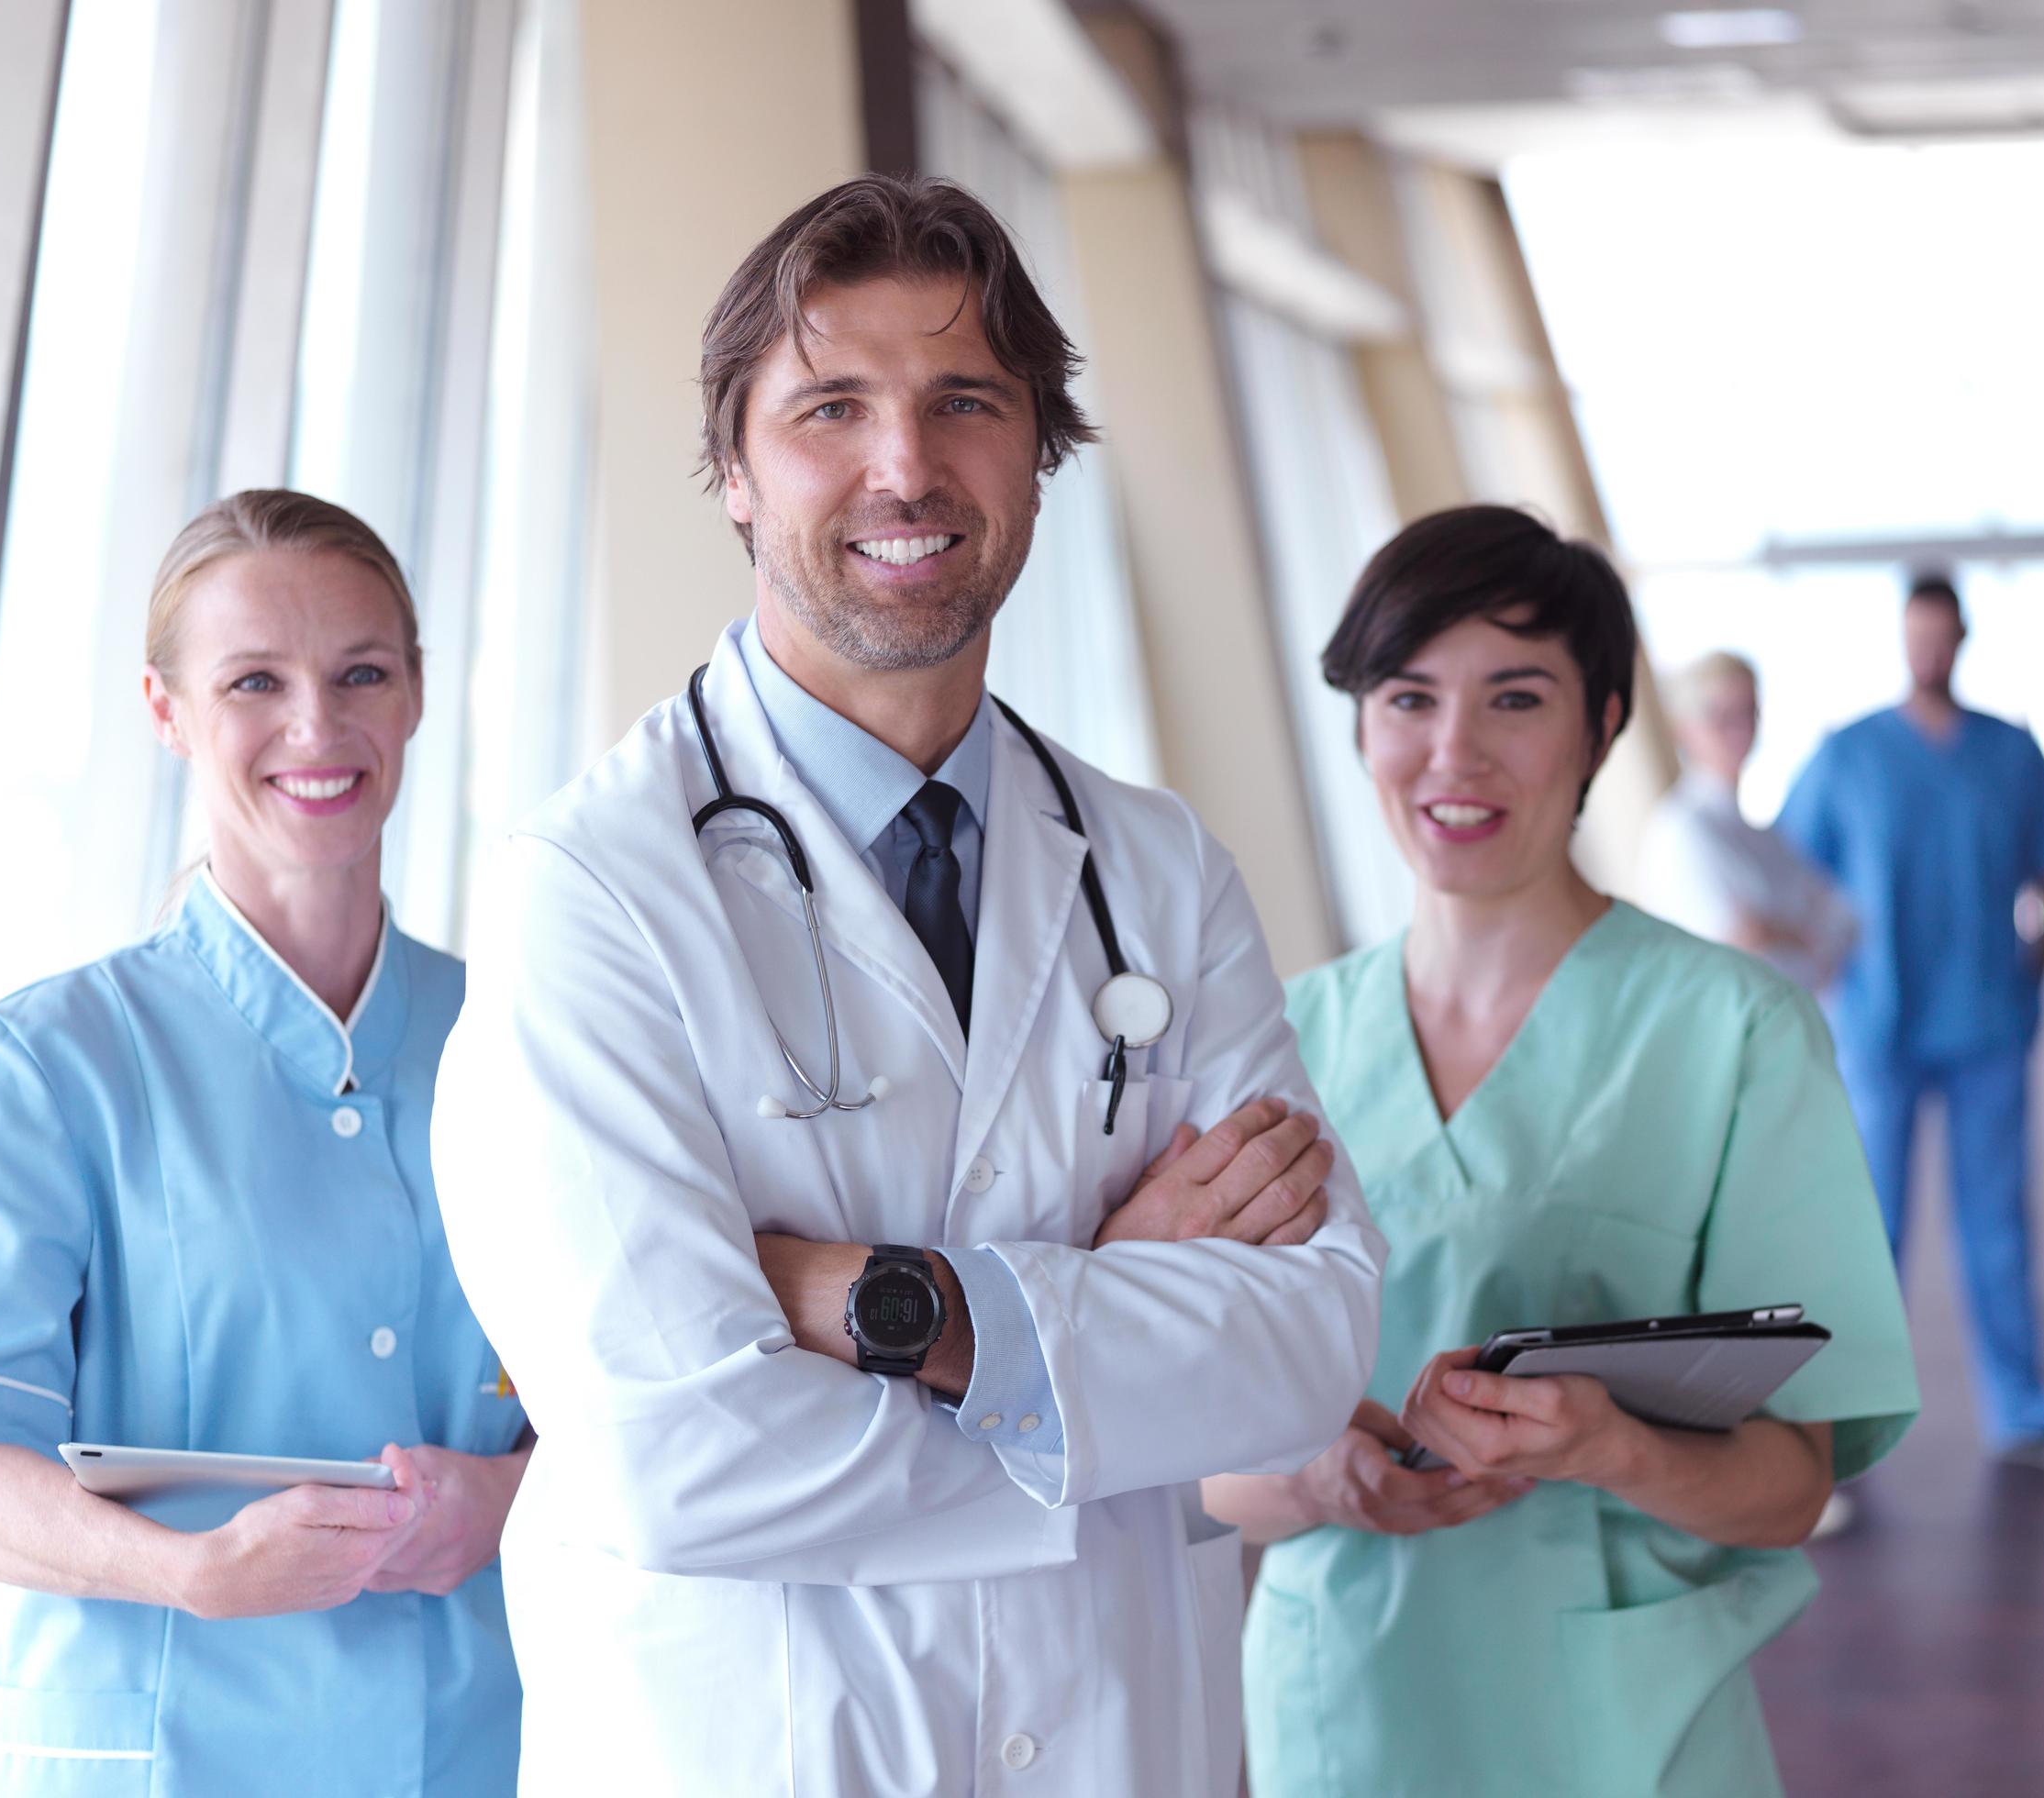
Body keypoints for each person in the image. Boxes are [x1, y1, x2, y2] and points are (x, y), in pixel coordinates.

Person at [428, 174, 1385, 1795]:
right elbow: (679, 1457)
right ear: (731, 469)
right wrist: (1093, 1349)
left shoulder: (1155, 868)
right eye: (830, 408)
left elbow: (1306, 1350)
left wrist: (902, 1306)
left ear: (1038, 452)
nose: (905, 467)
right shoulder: (589, 896)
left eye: (964, 402)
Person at [1208, 506, 1917, 1797]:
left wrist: (1607, 1447)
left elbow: (1790, 1489)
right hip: (1345, 1709)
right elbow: (1188, 1463)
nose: (1451, 752)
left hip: (1623, 1727)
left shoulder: (1733, 1031)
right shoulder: (1273, 1041)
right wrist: (1316, 1479)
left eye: (1514, 698)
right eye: (1407, 697)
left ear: (1600, 725)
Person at [0, 491, 528, 1792]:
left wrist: (501, 1503)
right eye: (253, 682)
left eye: (360, 673)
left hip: (468, 1746)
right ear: (166, 711)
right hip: (159, 1754)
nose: (316, 728)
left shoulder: (518, 1044)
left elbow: (623, 1391)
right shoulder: (49, 1061)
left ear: (418, 694)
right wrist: (192, 1573)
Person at [1774, 573, 2044, 1473]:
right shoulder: (1848, 752)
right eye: (1913, 634)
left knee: (1998, 1222)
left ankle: (2026, 1413)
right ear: (1900, 639)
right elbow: (1790, 873)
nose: (1928, 650)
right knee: (1868, 1228)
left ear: (1962, 637)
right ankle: (1843, 1424)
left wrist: (2032, 990)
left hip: (1989, 1023)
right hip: (1881, 1025)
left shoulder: (2009, 749)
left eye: (1941, 634)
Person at [1639, 649, 1857, 993]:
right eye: (1721, 716)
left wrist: (1780, 932)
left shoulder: (1765, 835)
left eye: (1748, 712)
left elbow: (1843, 924)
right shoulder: (1680, 829)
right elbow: (1734, 941)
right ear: (1685, 729)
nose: (1740, 730)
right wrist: (1798, 934)